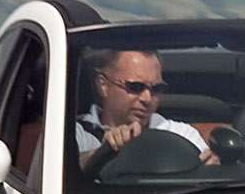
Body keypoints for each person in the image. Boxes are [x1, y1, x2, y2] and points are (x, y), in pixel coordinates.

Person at [75, 48, 216, 166]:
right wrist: (103, 151)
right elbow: (58, 173)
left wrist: (211, 167)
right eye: (135, 87)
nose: (147, 98)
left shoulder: (181, 134)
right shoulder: (74, 134)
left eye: (157, 88)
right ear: (103, 85)